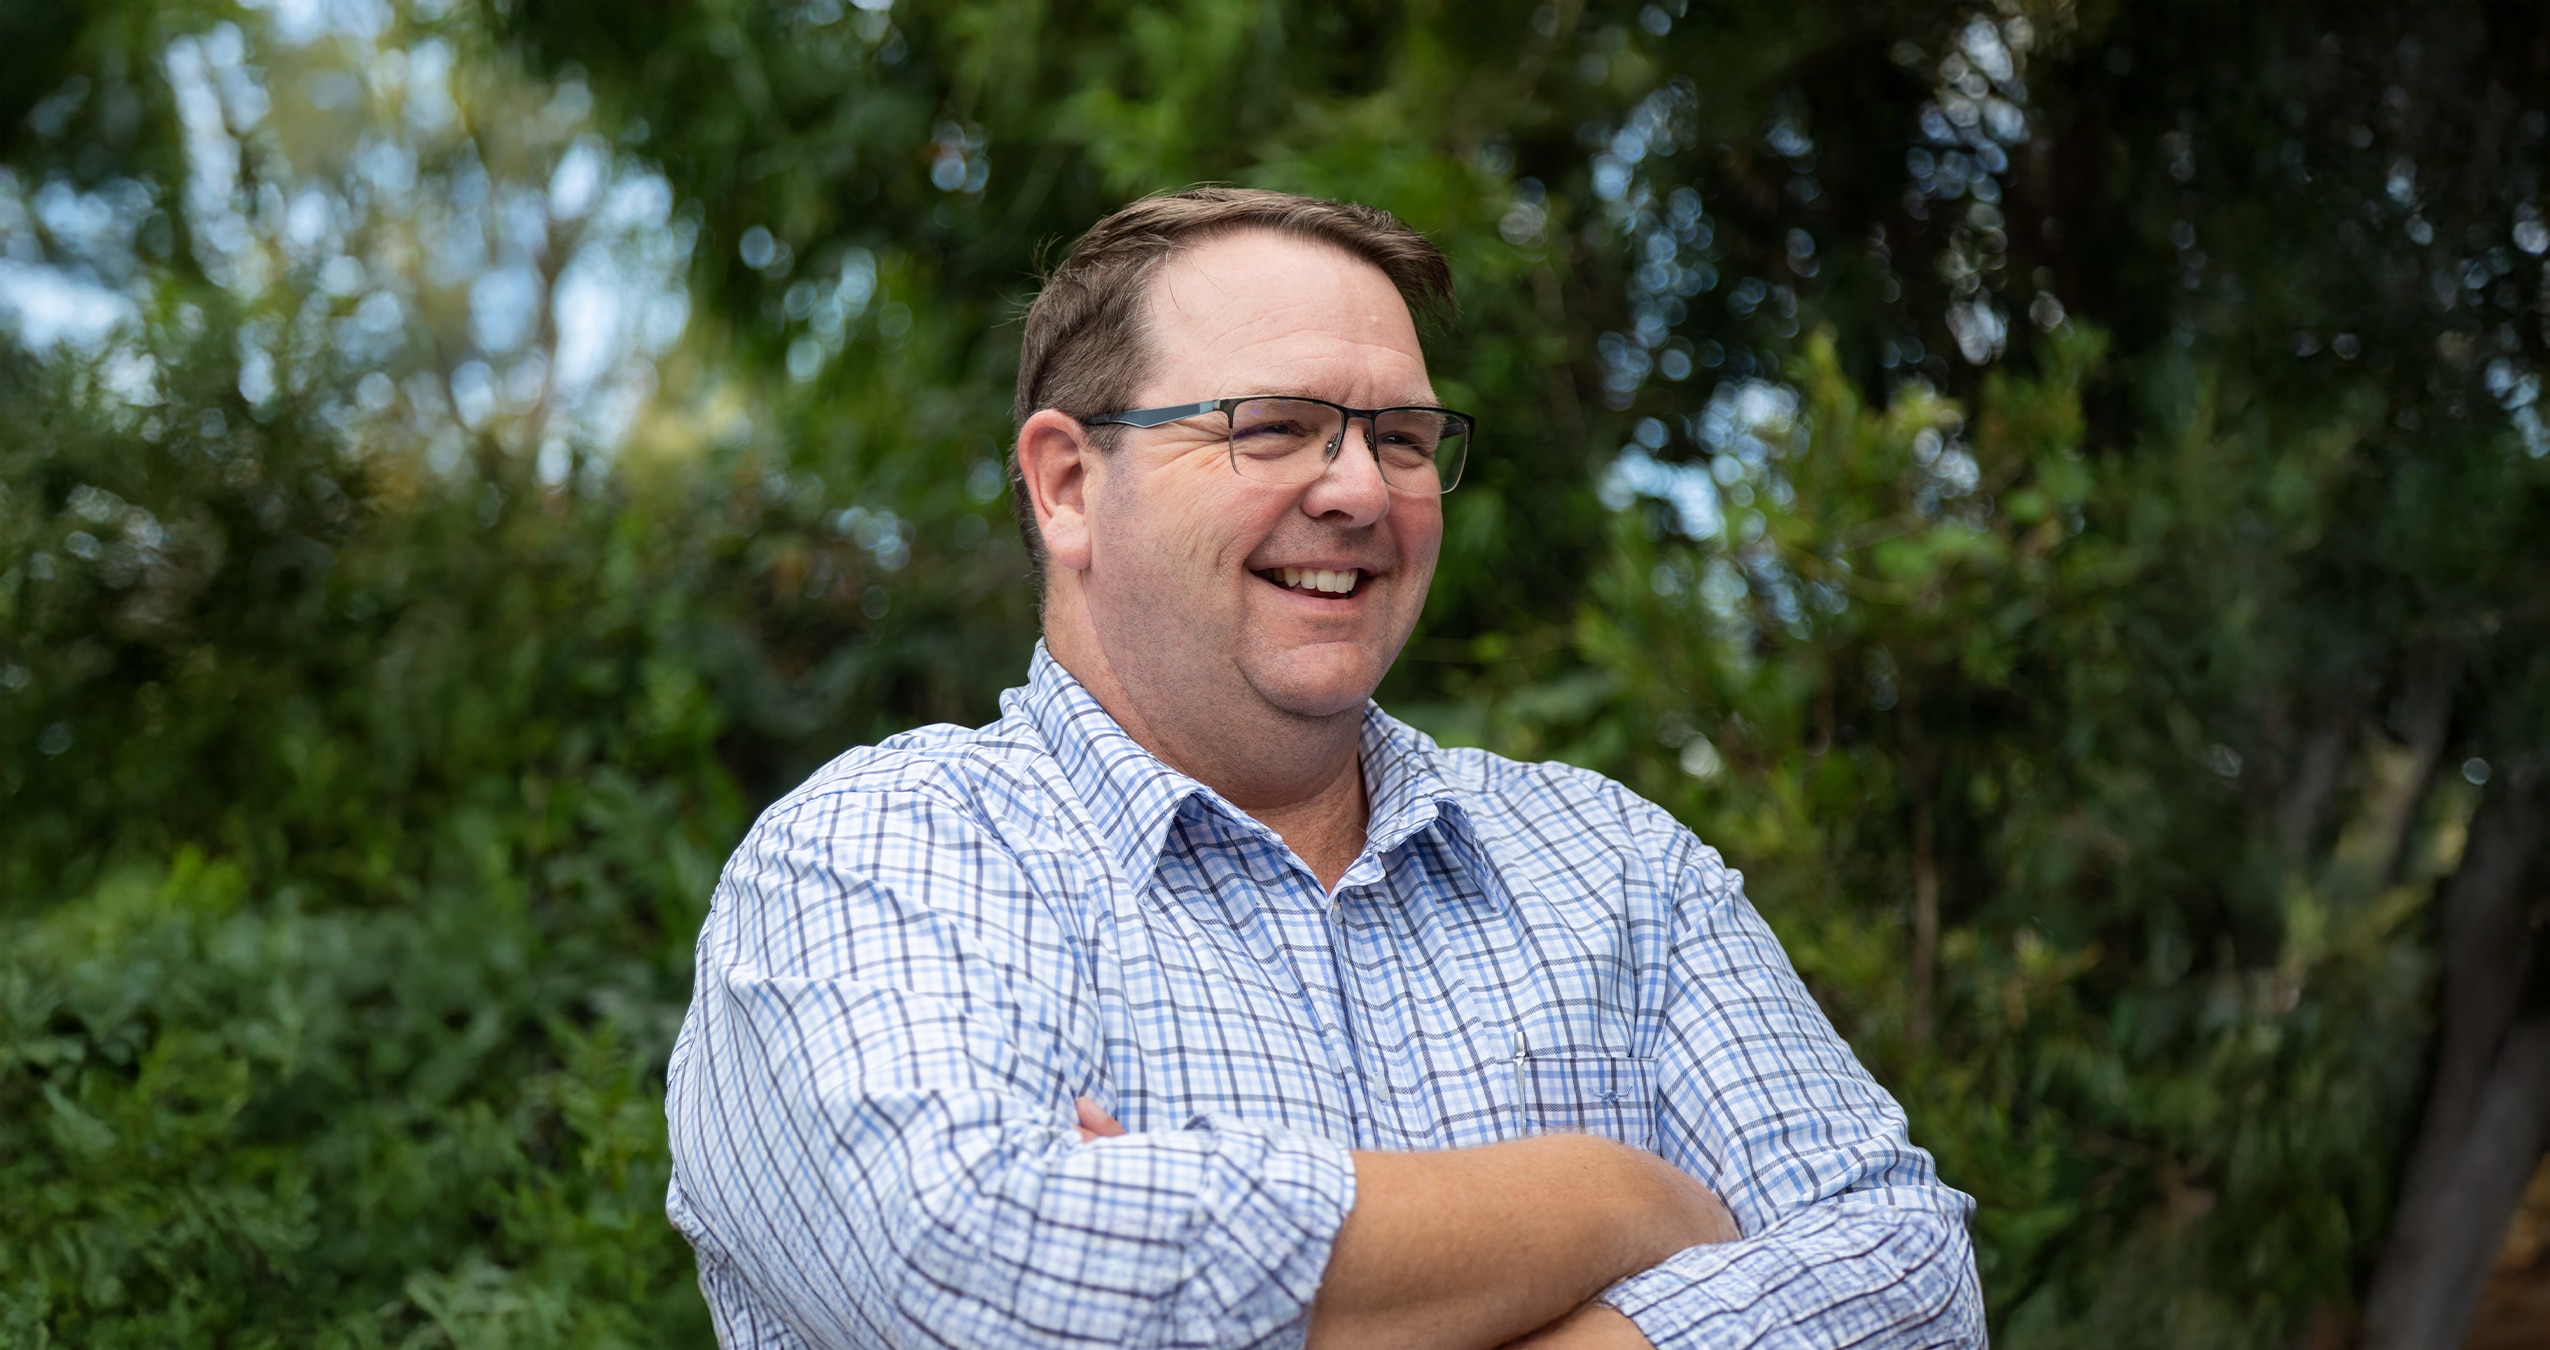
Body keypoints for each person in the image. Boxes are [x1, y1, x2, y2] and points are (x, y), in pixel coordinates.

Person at [664, 187, 1983, 1349]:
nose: (1359, 488)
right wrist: (1611, 1201)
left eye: (1402, 438)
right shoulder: (876, 853)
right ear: (1066, 483)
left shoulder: (1618, 865)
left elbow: (1911, 1277)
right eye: (1275, 425)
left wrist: (1210, 1241)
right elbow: (977, 1270)